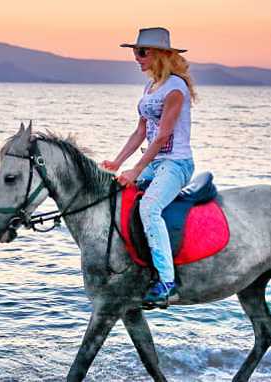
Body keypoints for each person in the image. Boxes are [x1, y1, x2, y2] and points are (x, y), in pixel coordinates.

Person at [101, 27, 197, 306]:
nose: (136, 57)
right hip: (154, 162)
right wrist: (117, 162)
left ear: (162, 55)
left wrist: (136, 170)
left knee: (149, 207)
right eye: (135, 51)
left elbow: (164, 136)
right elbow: (141, 132)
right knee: (119, 197)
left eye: (142, 52)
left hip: (176, 163)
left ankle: (167, 281)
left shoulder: (176, 88)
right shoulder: (150, 87)